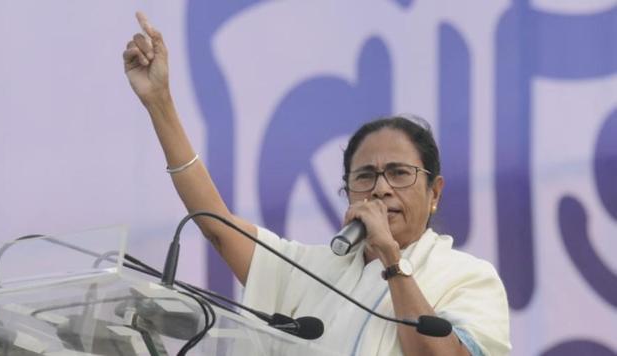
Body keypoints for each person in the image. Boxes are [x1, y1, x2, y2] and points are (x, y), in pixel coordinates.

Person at [123, 12, 511, 356]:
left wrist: (392, 262)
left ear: (435, 193)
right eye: (365, 176)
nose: (380, 189)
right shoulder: (311, 268)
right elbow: (216, 225)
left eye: (398, 173)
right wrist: (160, 104)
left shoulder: (468, 278)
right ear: (347, 191)